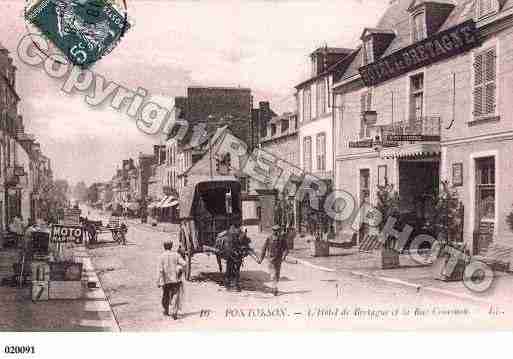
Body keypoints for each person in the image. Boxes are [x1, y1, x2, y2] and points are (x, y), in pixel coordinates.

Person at [157, 240, 187, 319]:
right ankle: (174, 311)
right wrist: (180, 269)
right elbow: (184, 263)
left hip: (166, 280)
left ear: (164, 246)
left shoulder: (161, 256)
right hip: (175, 279)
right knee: (175, 295)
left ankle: (166, 310)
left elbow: (160, 270)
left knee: (165, 295)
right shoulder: (176, 255)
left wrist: (158, 281)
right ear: (171, 246)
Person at [258, 224, 289, 296]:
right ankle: (275, 288)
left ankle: (274, 286)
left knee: (277, 275)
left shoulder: (282, 239)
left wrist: (284, 256)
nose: (275, 232)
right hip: (270, 259)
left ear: (279, 231)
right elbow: (264, 249)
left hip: (278, 260)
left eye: (277, 231)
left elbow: (286, 249)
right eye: (274, 230)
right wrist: (261, 259)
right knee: (273, 274)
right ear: (272, 231)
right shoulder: (269, 238)